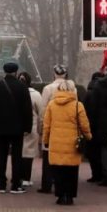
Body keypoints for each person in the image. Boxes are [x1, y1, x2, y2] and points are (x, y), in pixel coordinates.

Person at [42, 80, 92, 205]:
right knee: (71, 172)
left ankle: (60, 195)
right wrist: (88, 136)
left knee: (58, 171)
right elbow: (84, 125)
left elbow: (46, 125)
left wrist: (45, 140)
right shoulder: (77, 105)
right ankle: (69, 196)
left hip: (56, 143)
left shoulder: (52, 105)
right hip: (72, 144)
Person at [0, 62, 32, 194]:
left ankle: (1, 185)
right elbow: (27, 109)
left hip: (0, 127)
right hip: (17, 128)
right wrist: (28, 127)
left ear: (4, 71)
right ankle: (16, 185)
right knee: (17, 157)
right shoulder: (22, 87)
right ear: (15, 72)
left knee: (1, 156)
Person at [38, 64, 69, 193]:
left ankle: (47, 184)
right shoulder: (72, 89)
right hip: (66, 127)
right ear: (66, 75)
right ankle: (60, 183)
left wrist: (41, 127)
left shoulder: (48, 89)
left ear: (54, 74)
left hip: (51, 127)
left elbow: (43, 110)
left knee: (48, 157)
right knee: (62, 157)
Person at [17, 71, 42, 188]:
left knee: (18, 153)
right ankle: (26, 178)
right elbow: (41, 112)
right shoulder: (36, 94)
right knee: (28, 154)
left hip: (17, 126)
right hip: (31, 127)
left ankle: (18, 177)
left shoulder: (14, 92)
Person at [83, 71, 105, 184]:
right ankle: (103, 174)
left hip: (90, 126)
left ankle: (95, 174)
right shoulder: (105, 90)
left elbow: (84, 110)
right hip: (103, 126)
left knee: (92, 153)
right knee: (103, 152)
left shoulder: (89, 92)